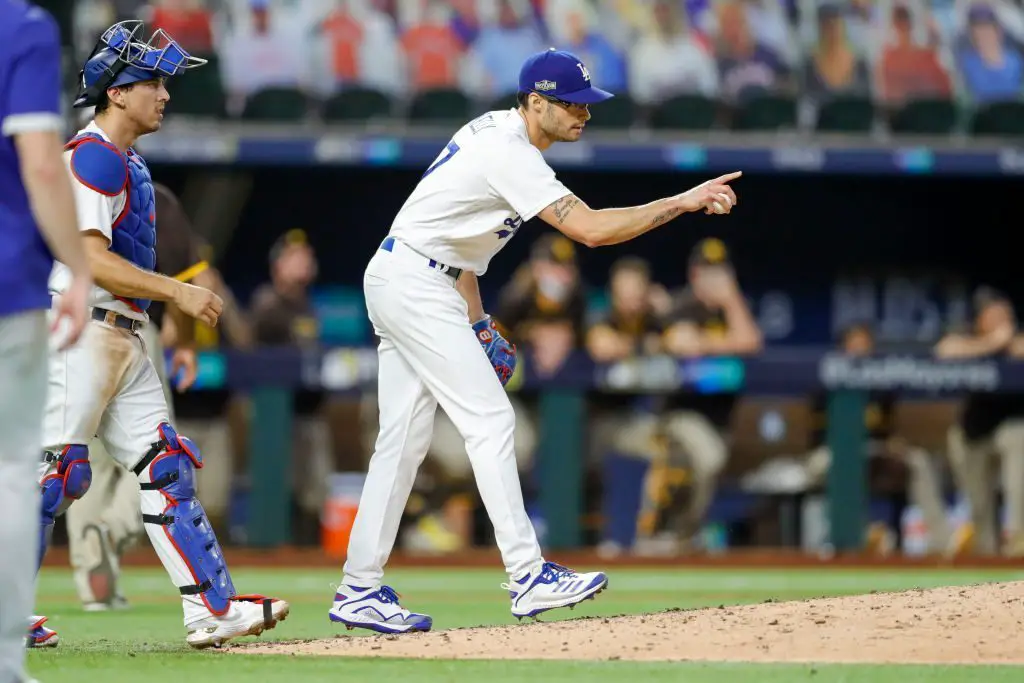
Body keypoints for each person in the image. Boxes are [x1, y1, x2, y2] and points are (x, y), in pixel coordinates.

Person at [328, 47, 741, 634]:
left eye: (588, 105)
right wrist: (681, 201)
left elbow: (456, 247)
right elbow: (592, 231)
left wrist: (475, 321)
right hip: (414, 283)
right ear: (536, 101)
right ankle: (527, 574)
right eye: (571, 104)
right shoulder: (510, 150)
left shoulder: (502, 137)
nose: (583, 114)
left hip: (418, 277)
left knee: (401, 443)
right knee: (492, 421)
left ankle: (358, 588)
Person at [28, 20, 289, 650]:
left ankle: (213, 610)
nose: (165, 94)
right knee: (53, 475)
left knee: (166, 468)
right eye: (153, 82)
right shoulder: (90, 154)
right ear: (116, 92)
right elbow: (90, 258)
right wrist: (176, 292)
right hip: (78, 327)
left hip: (121, 333)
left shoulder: (127, 161)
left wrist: (164, 305)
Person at [0, 1, 92, 677]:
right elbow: (39, 162)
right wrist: (79, 268)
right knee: (9, 475)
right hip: (7, 286)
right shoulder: (21, 25)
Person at [65, 183, 206, 612]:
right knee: (158, 451)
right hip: (131, 328)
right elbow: (185, 278)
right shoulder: (155, 197)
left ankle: (95, 588)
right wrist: (183, 341)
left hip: (75, 328)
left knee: (83, 459)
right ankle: (114, 530)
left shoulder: (72, 185)